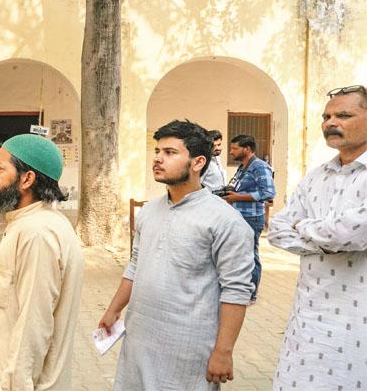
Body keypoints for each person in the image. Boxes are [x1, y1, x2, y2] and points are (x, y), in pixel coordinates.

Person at [99, 120, 254, 390]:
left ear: (197, 162)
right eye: (157, 151)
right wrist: (113, 310)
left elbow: (236, 291)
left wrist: (223, 352)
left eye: (170, 153)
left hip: (188, 350)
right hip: (139, 340)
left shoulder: (225, 221)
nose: (158, 159)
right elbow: (135, 266)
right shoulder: (149, 211)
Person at [0, 134, 84, 391]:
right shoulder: (27, 224)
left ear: (27, 178)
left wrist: (14, 386)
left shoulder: (38, 234)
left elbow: (35, 325)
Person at [268, 84, 367, 390]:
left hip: (358, 323)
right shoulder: (316, 176)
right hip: (308, 319)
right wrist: (325, 236)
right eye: (326, 116)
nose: (329, 122)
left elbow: (352, 232)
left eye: (343, 115)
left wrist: (303, 226)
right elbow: (277, 230)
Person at [223, 134, 276, 302]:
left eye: (234, 148)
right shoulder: (243, 167)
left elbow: (268, 193)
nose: (231, 152)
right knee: (239, 254)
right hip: (239, 216)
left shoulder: (259, 166)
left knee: (250, 254)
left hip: (251, 218)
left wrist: (237, 197)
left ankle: (251, 293)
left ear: (246, 149)